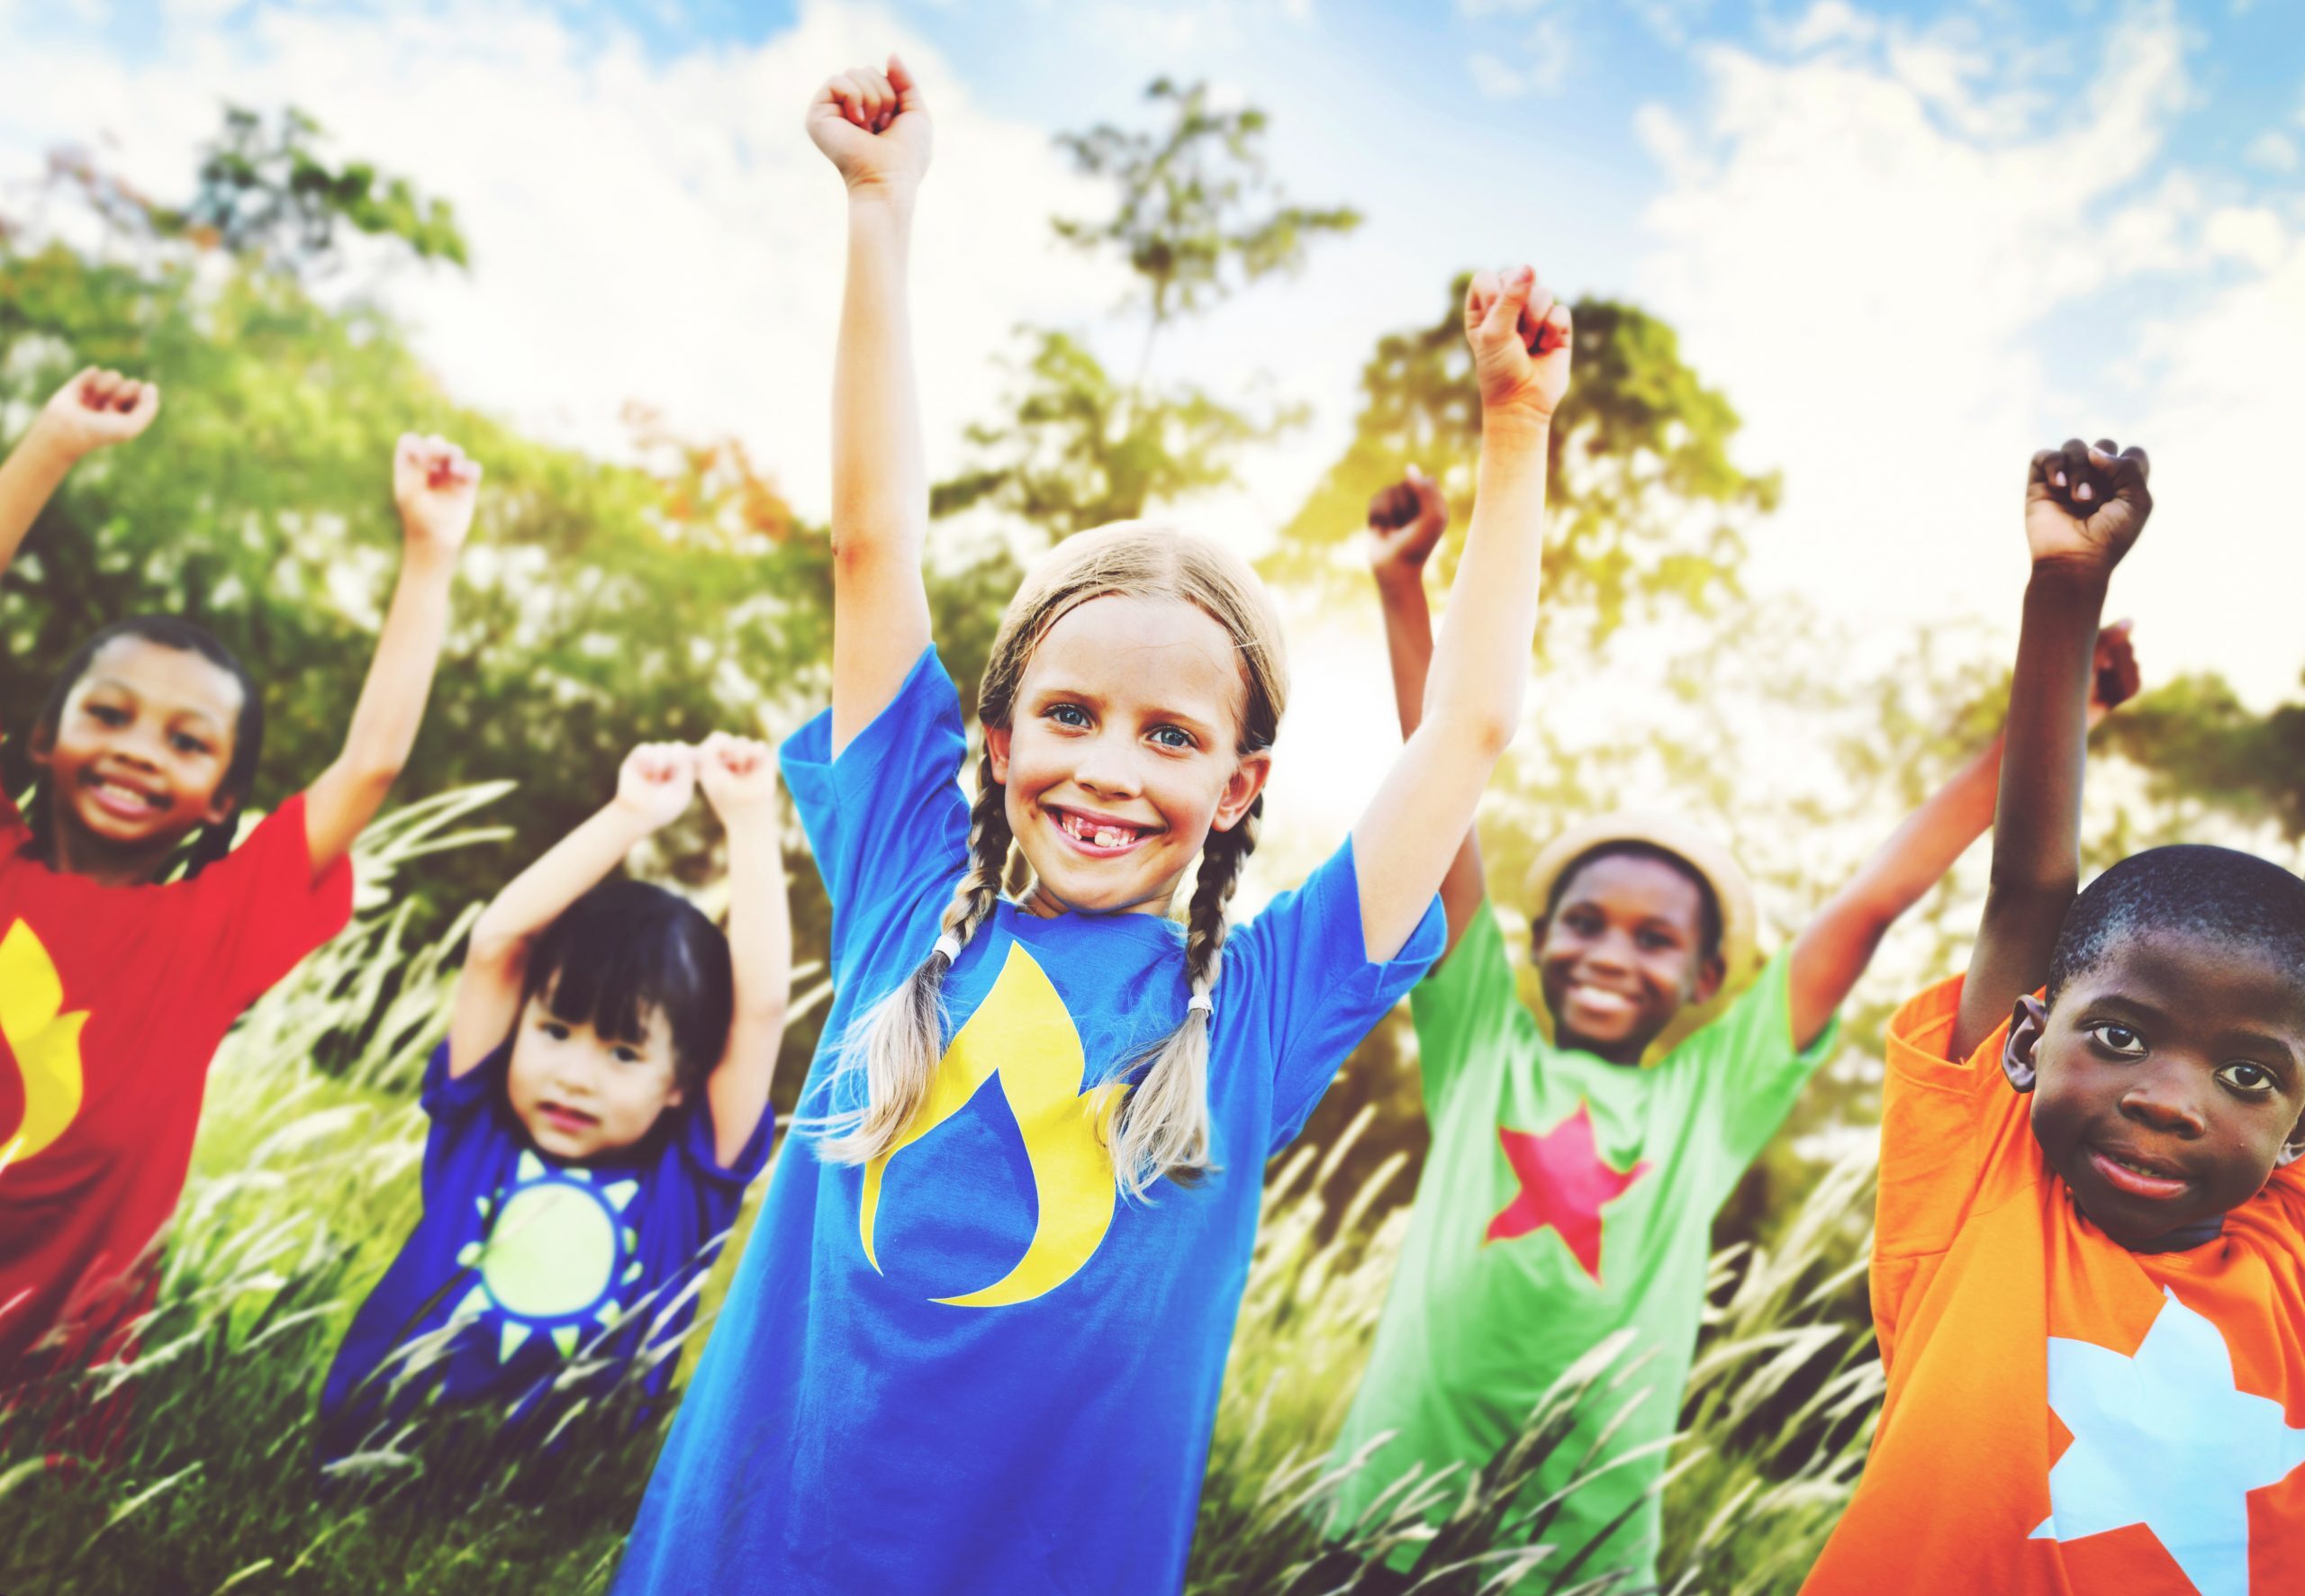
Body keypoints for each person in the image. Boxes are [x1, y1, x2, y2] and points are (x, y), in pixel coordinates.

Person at [611, 55, 1568, 1596]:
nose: (1108, 770)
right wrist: (879, 208)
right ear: (992, 740)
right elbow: (871, 541)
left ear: (1240, 786)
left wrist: (1513, 429)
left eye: (1171, 735)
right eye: (1068, 715)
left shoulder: (1264, 1006)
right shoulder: (903, 870)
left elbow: (1469, 729)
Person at [1328, 465, 2139, 1585]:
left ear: (1709, 977)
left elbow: (1867, 903)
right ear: (1536, 940)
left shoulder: (1709, 1096)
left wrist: (2054, 720)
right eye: (1584, 924)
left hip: (1577, 1552)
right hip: (1382, 1509)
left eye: (1653, 940)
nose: (1610, 953)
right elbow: (1441, 798)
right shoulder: (1478, 1044)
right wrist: (1401, 590)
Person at [1804, 440, 2305, 1591]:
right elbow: (2027, 889)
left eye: (2246, 1078)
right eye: (2121, 1036)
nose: (2166, 1103)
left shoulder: (2284, 1260)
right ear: (2028, 1041)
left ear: (2298, 1131)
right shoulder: (1988, 1185)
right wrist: (2065, 590)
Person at [0, 367, 474, 1403]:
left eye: (185, 741)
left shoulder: (215, 929)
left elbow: (373, 765)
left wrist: (429, 554)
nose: (137, 752)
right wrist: (51, 446)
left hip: (45, 1383)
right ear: (43, 738)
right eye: (108, 715)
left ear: (222, 800)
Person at [316, 735, 788, 1462]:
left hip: (552, 1490)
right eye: (556, 1029)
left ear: (680, 1084)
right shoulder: (478, 1127)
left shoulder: (687, 1183)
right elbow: (497, 941)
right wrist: (629, 813)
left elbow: (757, 1010)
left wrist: (752, 820)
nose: (575, 1074)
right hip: (381, 1448)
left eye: (624, 1052)